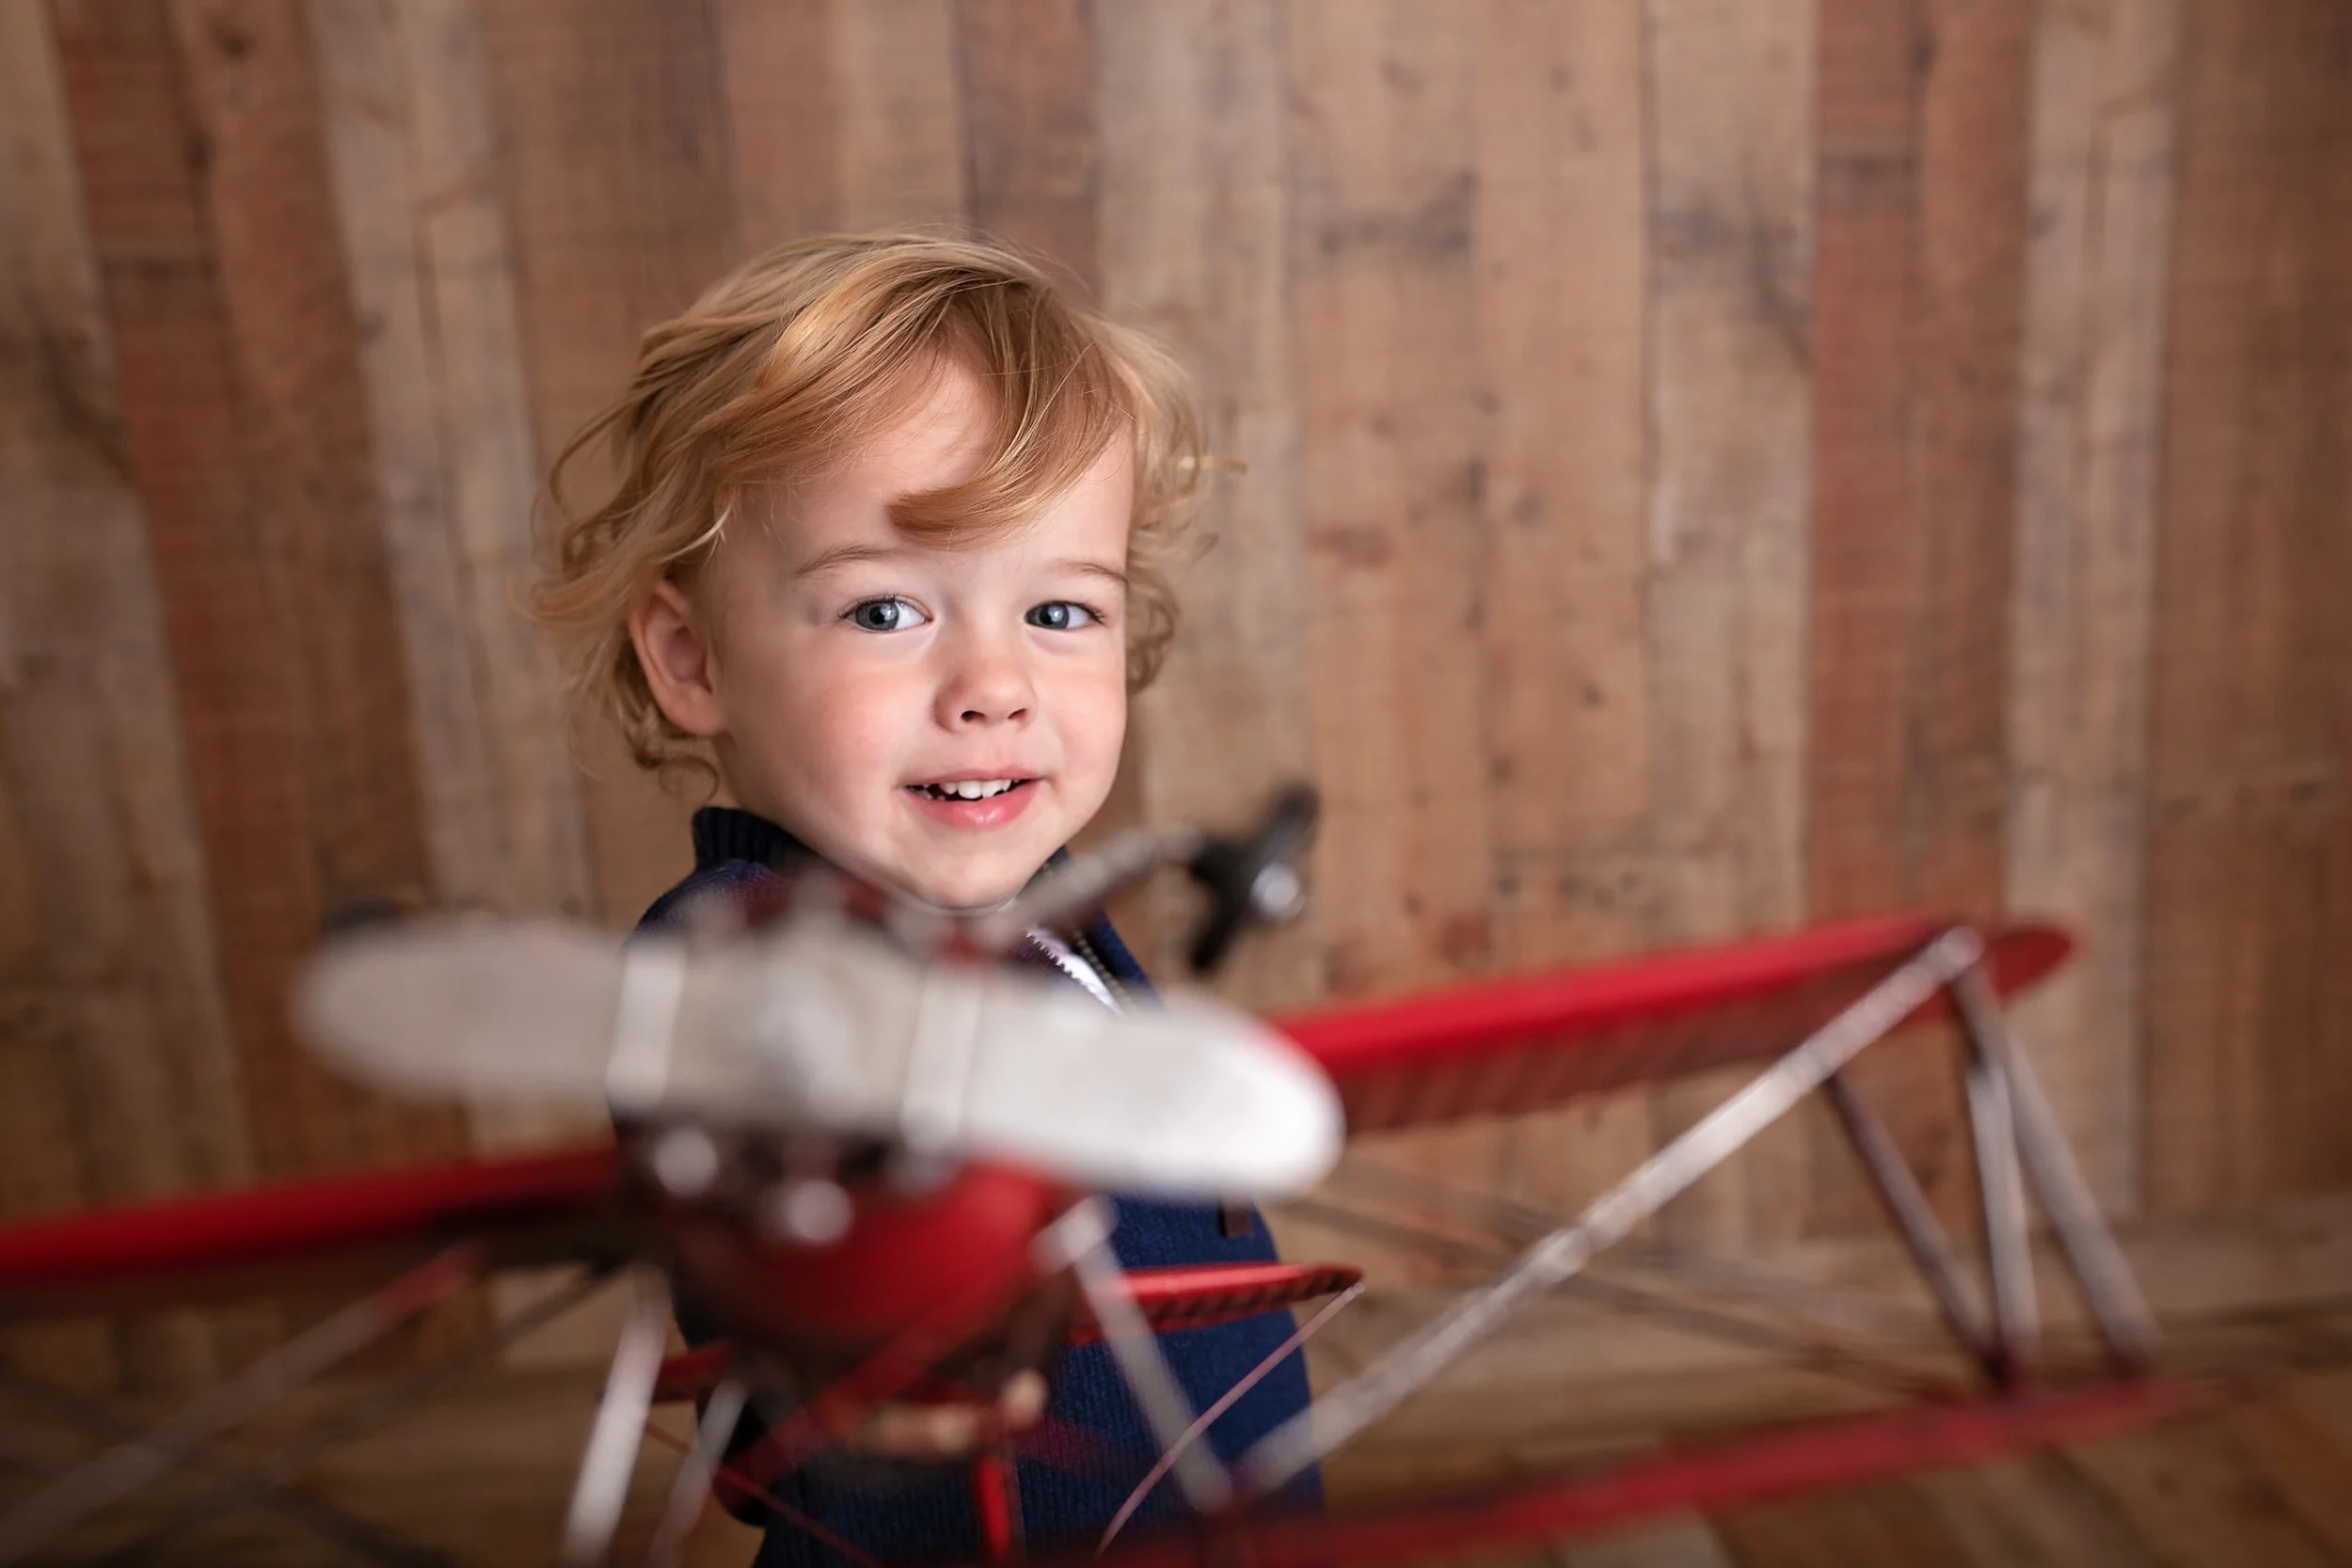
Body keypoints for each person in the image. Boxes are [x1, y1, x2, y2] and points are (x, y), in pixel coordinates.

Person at [532, 233, 1317, 1565]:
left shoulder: (1049, 904)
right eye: (887, 612)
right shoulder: (736, 959)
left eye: (1060, 614)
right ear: (692, 657)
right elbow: (762, 1212)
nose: (995, 686)